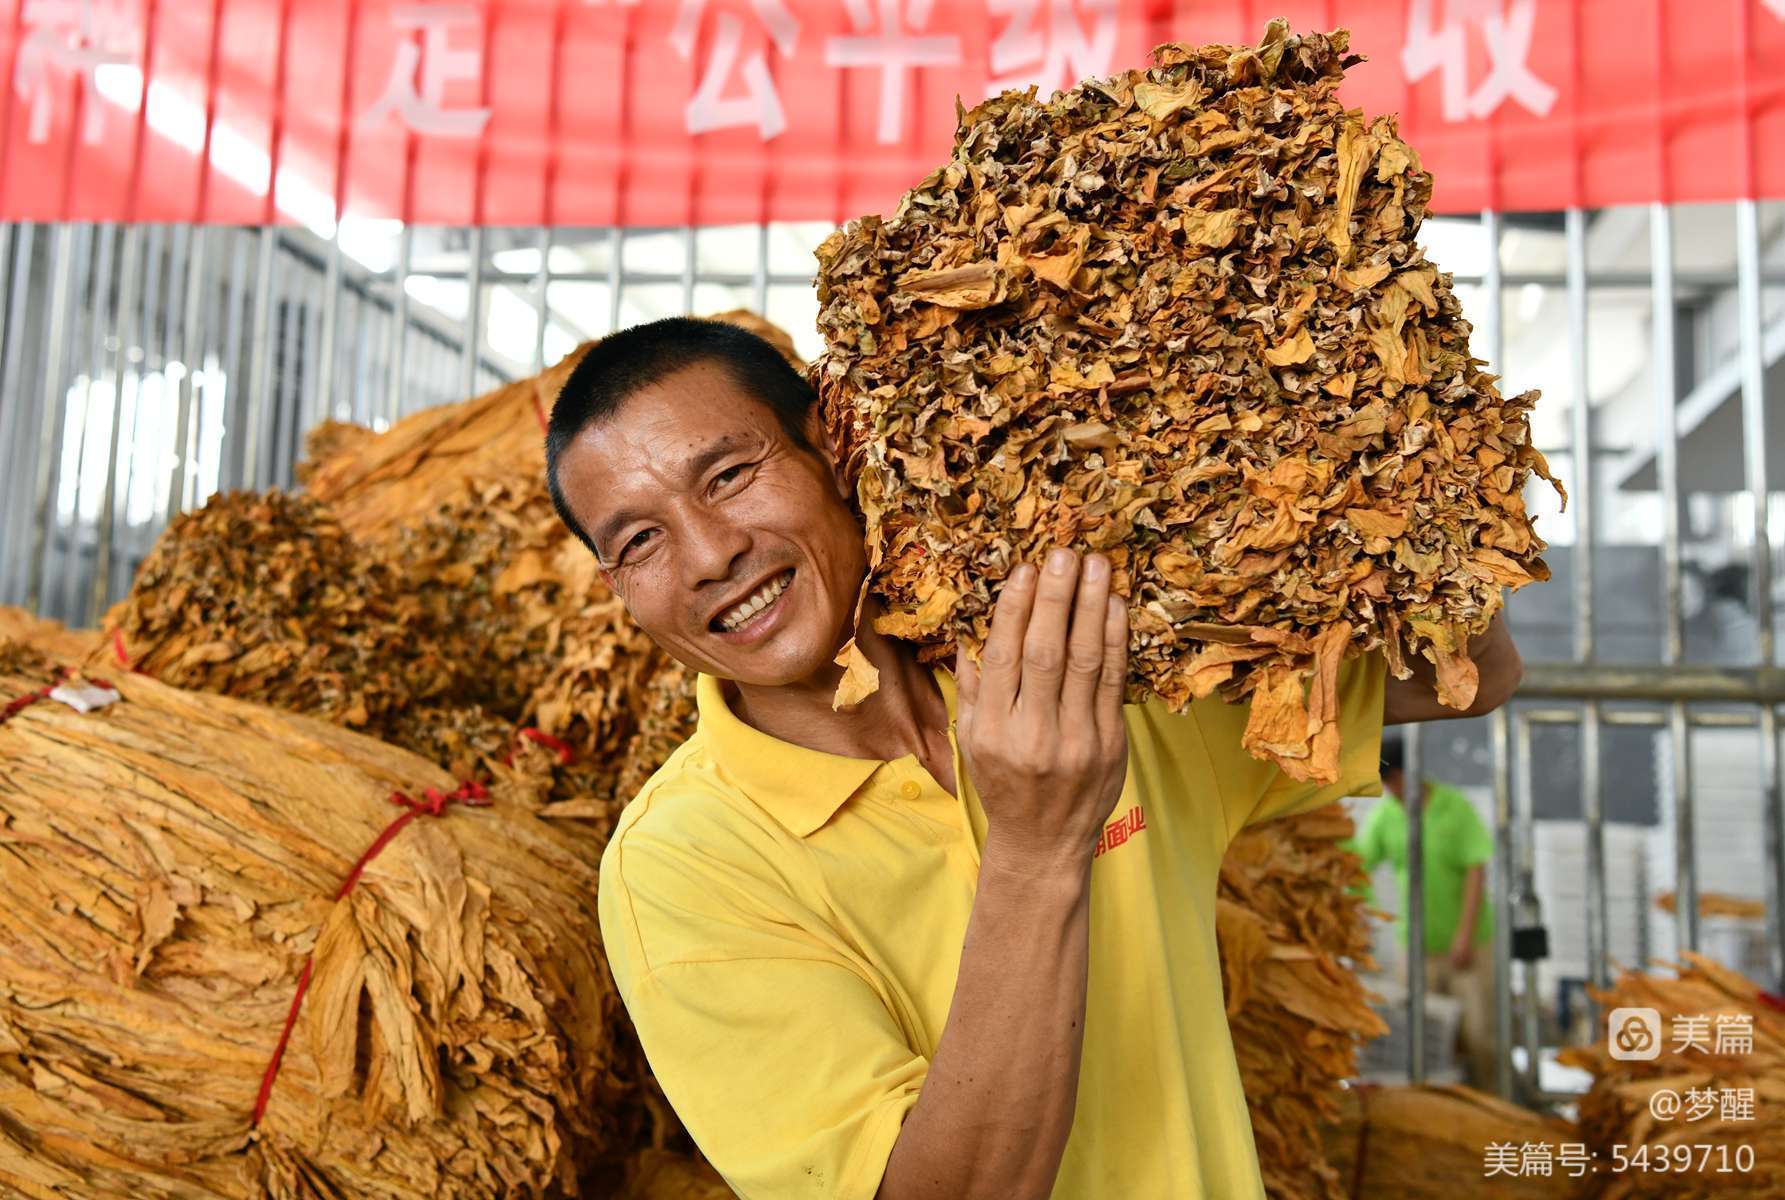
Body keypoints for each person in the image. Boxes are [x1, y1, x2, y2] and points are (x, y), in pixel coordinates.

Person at [545, 317, 1525, 1200]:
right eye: (640, 540)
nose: (710, 552)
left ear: (835, 440)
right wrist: (1039, 840)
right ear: (617, 589)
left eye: (729, 475)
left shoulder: (1081, 670)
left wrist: (1367, 437)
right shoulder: (684, 864)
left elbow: (1468, 675)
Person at [1346, 736, 1498, 1089]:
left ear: (1407, 774)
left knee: (1478, 1036)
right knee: (1421, 1037)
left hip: (1468, 946)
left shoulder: (1453, 808)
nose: (1389, 790)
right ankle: (1431, 1105)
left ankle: (1492, 1104)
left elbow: (1476, 871)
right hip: (1415, 946)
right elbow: (1359, 862)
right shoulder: (1386, 816)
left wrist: (1464, 936)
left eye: (1392, 781)